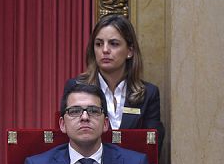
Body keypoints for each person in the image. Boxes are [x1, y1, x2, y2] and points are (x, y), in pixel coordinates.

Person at [8, 83, 163, 164]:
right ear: (62, 124)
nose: (84, 117)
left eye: (93, 111)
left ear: (106, 124)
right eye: (75, 111)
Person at [63, 14, 165, 151]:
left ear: (130, 51)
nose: (105, 50)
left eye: (114, 44)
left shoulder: (148, 93)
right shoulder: (76, 88)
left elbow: (153, 146)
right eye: (99, 44)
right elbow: (68, 138)